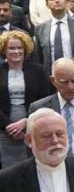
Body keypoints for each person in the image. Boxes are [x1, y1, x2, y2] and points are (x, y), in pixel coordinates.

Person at [29, 58, 74, 162]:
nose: (70, 87)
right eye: (64, 82)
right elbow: (33, 147)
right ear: (53, 81)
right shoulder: (39, 108)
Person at [0, 31, 49, 168]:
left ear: (25, 49)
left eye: (19, 48)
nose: (16, 51)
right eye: (11, 48)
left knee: (32, 168)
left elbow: (44, 99)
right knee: (8, 171)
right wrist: (9, 126)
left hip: (33, 127)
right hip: (4, 131)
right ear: (4, 49)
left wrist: (27, 121)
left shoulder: (38, 70)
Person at [33, 0, 74, 75]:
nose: (57, 0)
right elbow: (39, 57)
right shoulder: (40, 29)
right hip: (50, 76)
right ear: (47, 4)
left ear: (66, 2)